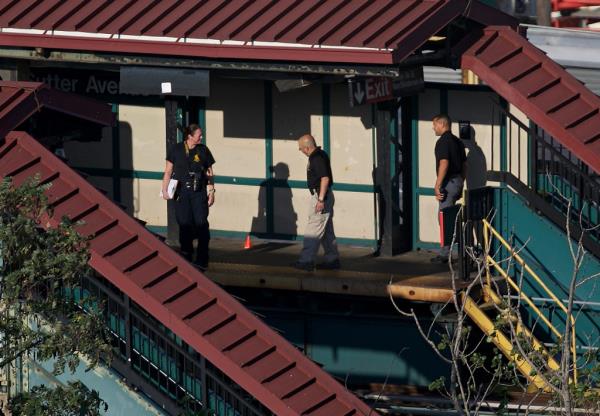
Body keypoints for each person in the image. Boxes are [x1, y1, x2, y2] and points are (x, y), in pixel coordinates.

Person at [162, 124, 215, 270]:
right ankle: (186, 255)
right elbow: (167, 171)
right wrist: (164, 189)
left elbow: (210, 173)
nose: (202, 137)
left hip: (198, 192)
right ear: (190, 136)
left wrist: (211, 191)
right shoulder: (176, 149)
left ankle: (202, 258)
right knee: (184, 223)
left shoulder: (203, 150)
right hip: (182, 192)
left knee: (201, 223)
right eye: (199, 135)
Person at [292, 134, 340, 271]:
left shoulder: (316, 158)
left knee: (313, 229)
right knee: (326, 230)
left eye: (301, 149)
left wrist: (320, 199)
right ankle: (332, 259)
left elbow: (324, 178)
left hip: (321, 196)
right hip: (325, 195)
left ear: (307, 148)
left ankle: (306, 261)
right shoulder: (321, 154)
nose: (301, 151)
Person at [432, 114, 466, 263]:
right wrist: (461, 182)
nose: (433, 128)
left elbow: (444, 162)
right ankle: (461, 250)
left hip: (448, 183)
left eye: (435, 124)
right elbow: (465, 165)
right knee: (453, 217)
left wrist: (438, 184)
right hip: (457, 181)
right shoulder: (458, 142)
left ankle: (446, 254)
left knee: (444, 218)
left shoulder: (443, 142)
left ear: (442, 124)